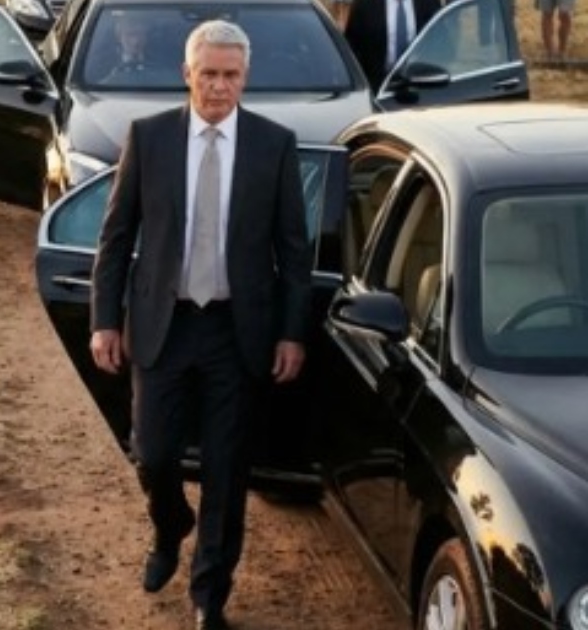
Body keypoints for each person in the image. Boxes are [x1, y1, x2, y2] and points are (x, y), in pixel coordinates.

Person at [89, 20, 311, 630]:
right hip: (163, 323)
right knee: (154, 454)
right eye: (208, 74)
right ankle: (170, 525)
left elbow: (295, 251)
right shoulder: (149, 137)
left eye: (230, 75)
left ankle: (209, 596)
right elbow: (116, 237)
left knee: (226, 470)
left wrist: (291, 332)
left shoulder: (274, 144)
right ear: (187, 74)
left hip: (239, 332)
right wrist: (104, 320)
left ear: (245, 77)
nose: (218, 86)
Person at [344, 0, 442, 89]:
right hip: (378, 87)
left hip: (420, 84)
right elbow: (352, 49)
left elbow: (440, 43)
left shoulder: (429, 3)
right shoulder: (365, 5)